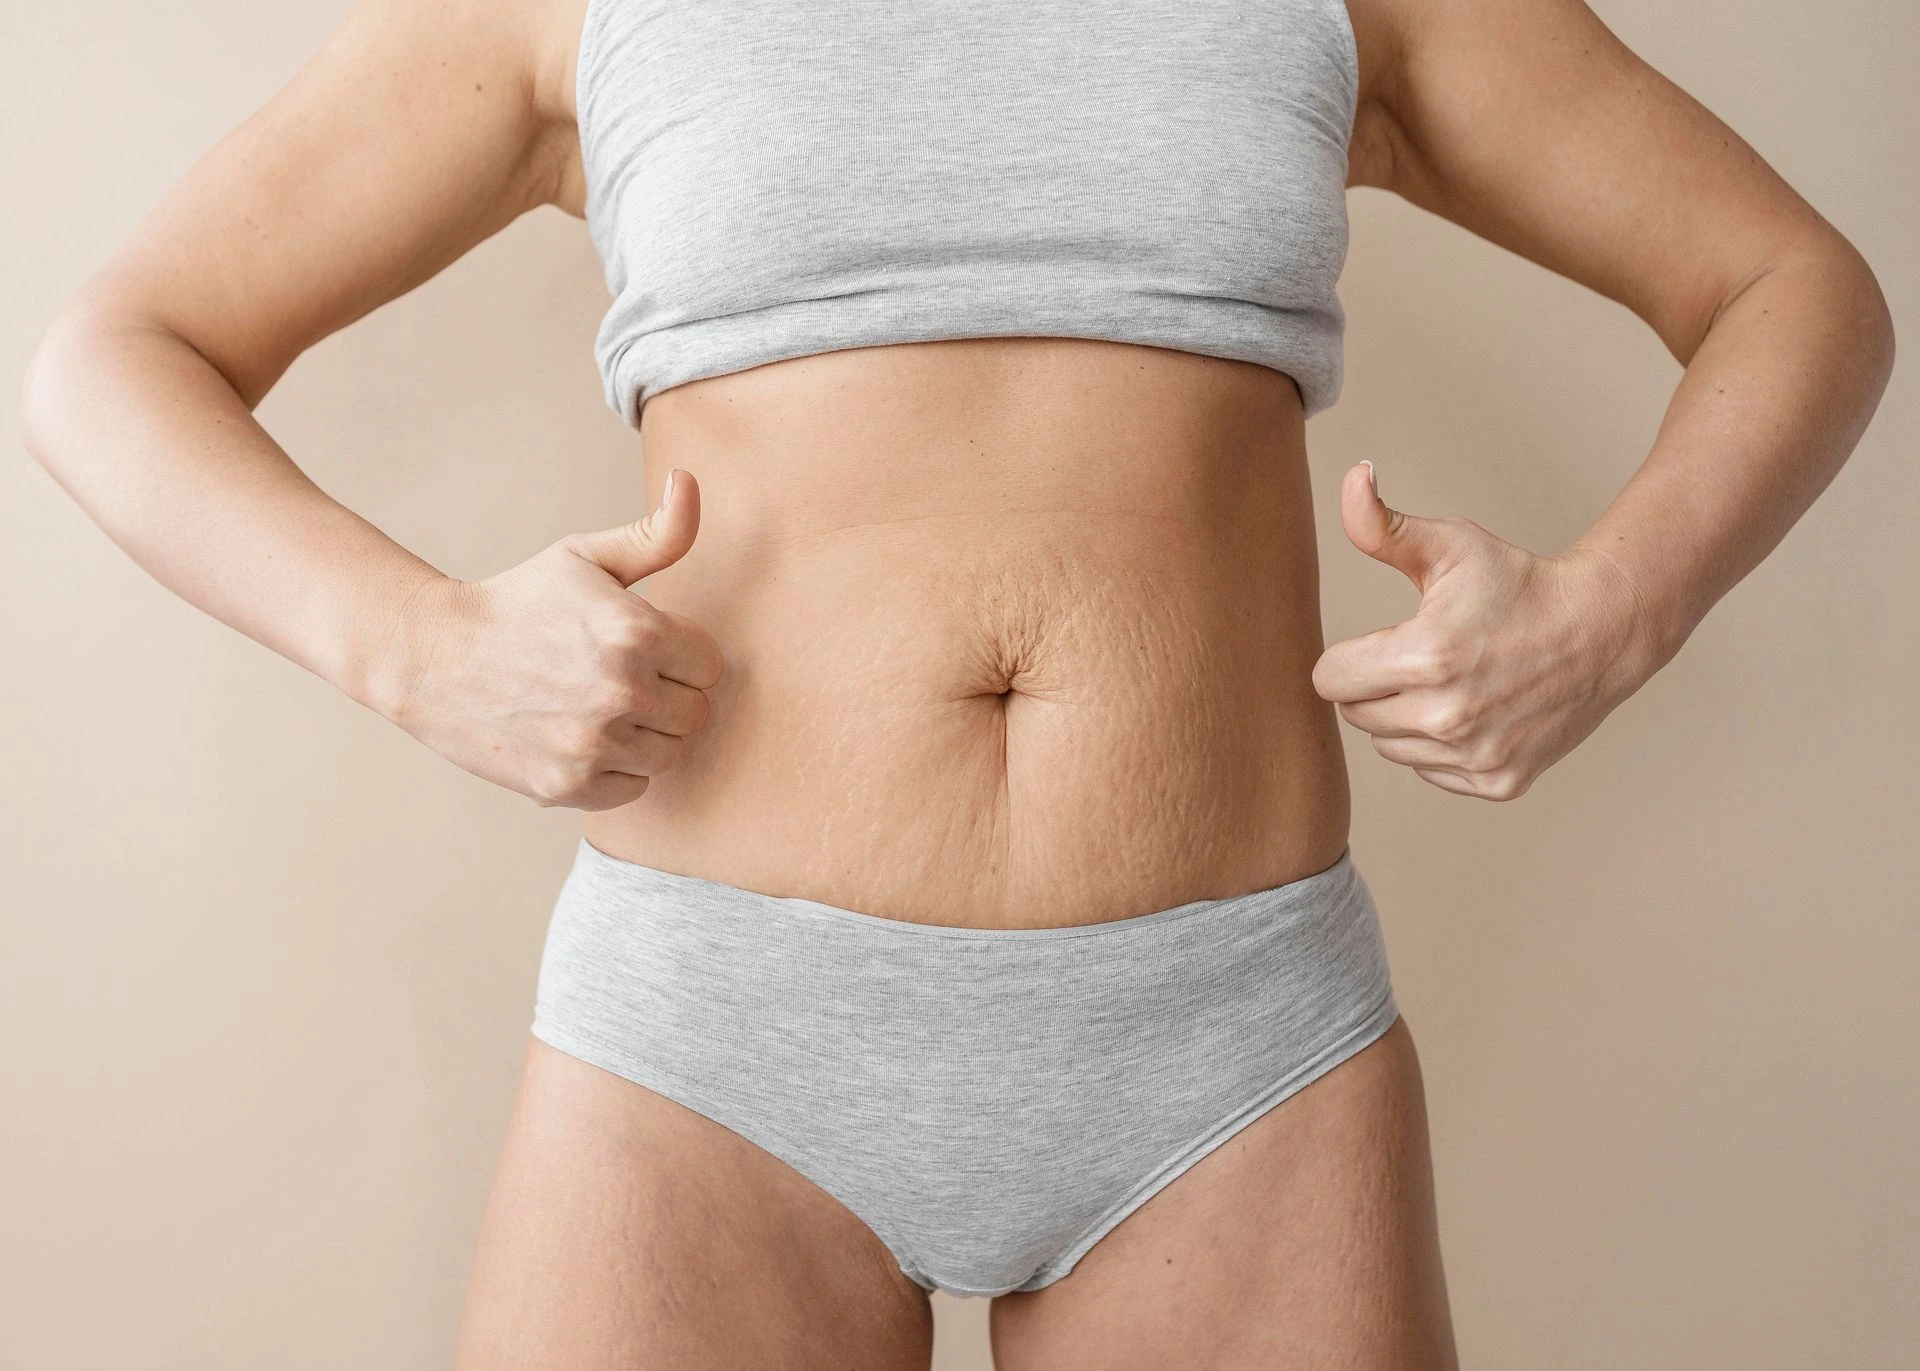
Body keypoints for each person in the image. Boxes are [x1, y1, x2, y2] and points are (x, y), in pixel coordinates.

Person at [20, 0, 1894, 1364]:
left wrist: (1607, 616)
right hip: (710, 1051)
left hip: (1232, 1050)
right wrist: (417, 645)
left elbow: (1794, 286)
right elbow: (115, 352)